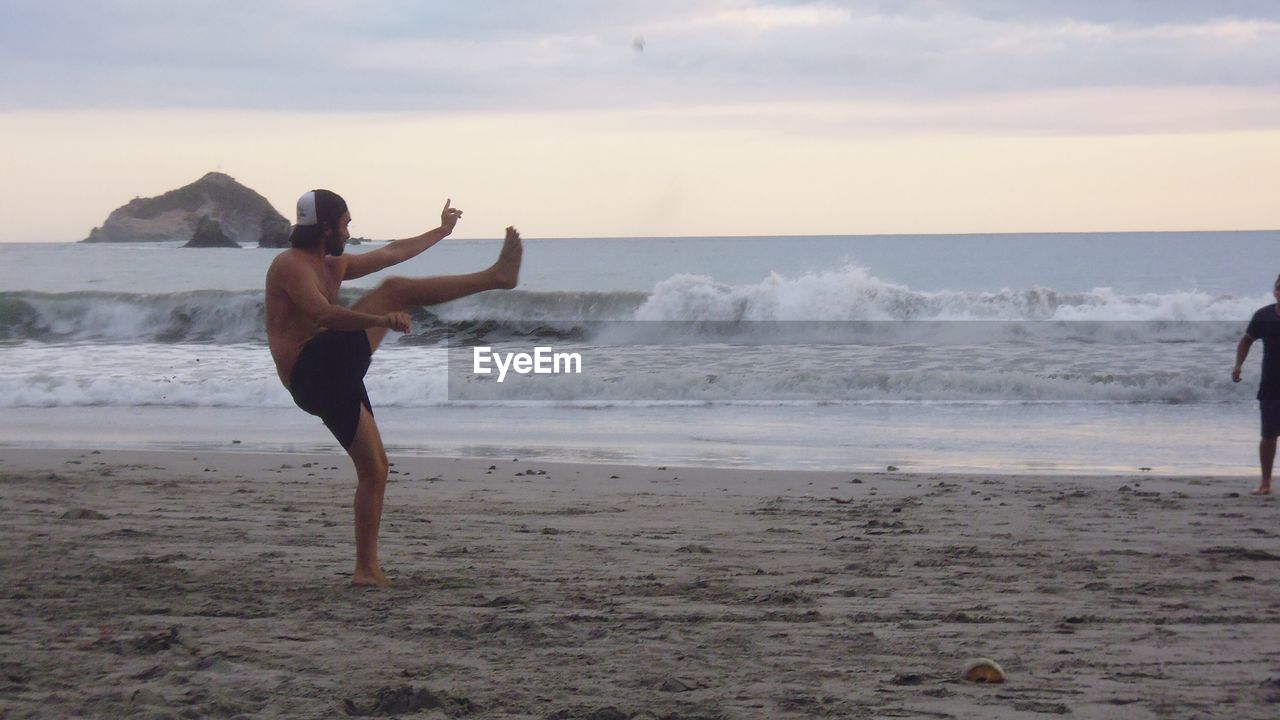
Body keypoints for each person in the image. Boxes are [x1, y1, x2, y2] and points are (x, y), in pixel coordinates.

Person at [265, 189, 522, 585]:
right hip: (312, 370)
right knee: (395, 290)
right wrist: (382, 321)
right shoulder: (289, 266)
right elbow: (324, 314)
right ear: (326, 229)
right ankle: (496, 277)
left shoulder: (331, 265)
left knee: (376, 470)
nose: (349, 232)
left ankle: (366, 570)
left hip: (332, 374)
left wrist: (441, 230)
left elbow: (393, 251)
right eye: (346, 224)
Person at [1233, 274, 1280, 496]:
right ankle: (1265, 483)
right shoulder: (1264, 315)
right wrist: (1238, 366)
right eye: (1279, 288)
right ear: (1274, 291)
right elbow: (1246, 341)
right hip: (1271, 385)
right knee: (1268, 435)